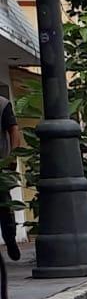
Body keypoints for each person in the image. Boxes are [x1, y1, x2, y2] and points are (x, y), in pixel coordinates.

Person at [0, 94, 24, 261]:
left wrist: (12, 155)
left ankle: (10, 239)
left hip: (0, 163)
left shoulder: (2, 104)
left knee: (4, 205)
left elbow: (13, 129)